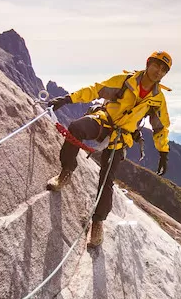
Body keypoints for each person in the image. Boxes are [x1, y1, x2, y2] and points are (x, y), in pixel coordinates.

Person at [46, 51, 172, 247]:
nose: (159, 71)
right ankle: (66, 172)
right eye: (157, 65)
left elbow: (160, 127)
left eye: (164, 70)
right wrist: (67, 99)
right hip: (105, 120)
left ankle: (98, 222)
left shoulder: (158, 100)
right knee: (76, 128)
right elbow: (96, 90)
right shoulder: (124, 81)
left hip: (122, 137)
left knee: (107, 178)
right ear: (148, 63)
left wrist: (163, 151)